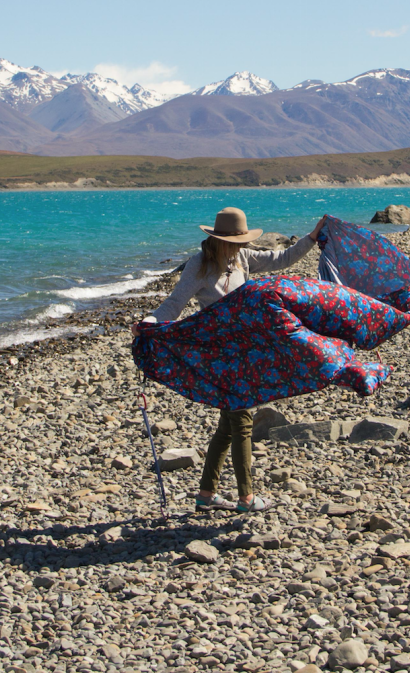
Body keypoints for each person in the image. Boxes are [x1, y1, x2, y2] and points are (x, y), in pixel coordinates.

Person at [135, 207, 326, 512]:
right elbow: (174, 304)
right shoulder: (199, 265)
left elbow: (283, 259)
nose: (240, 246)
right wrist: (149, 323)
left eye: (242, 241)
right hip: (220, 356)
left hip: (244, 351)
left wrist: (313, 237)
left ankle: (207, 495)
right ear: (220, 239)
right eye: (236, 241)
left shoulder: (243, 257)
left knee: (227, 426)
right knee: (242, 421)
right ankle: (246, 497)